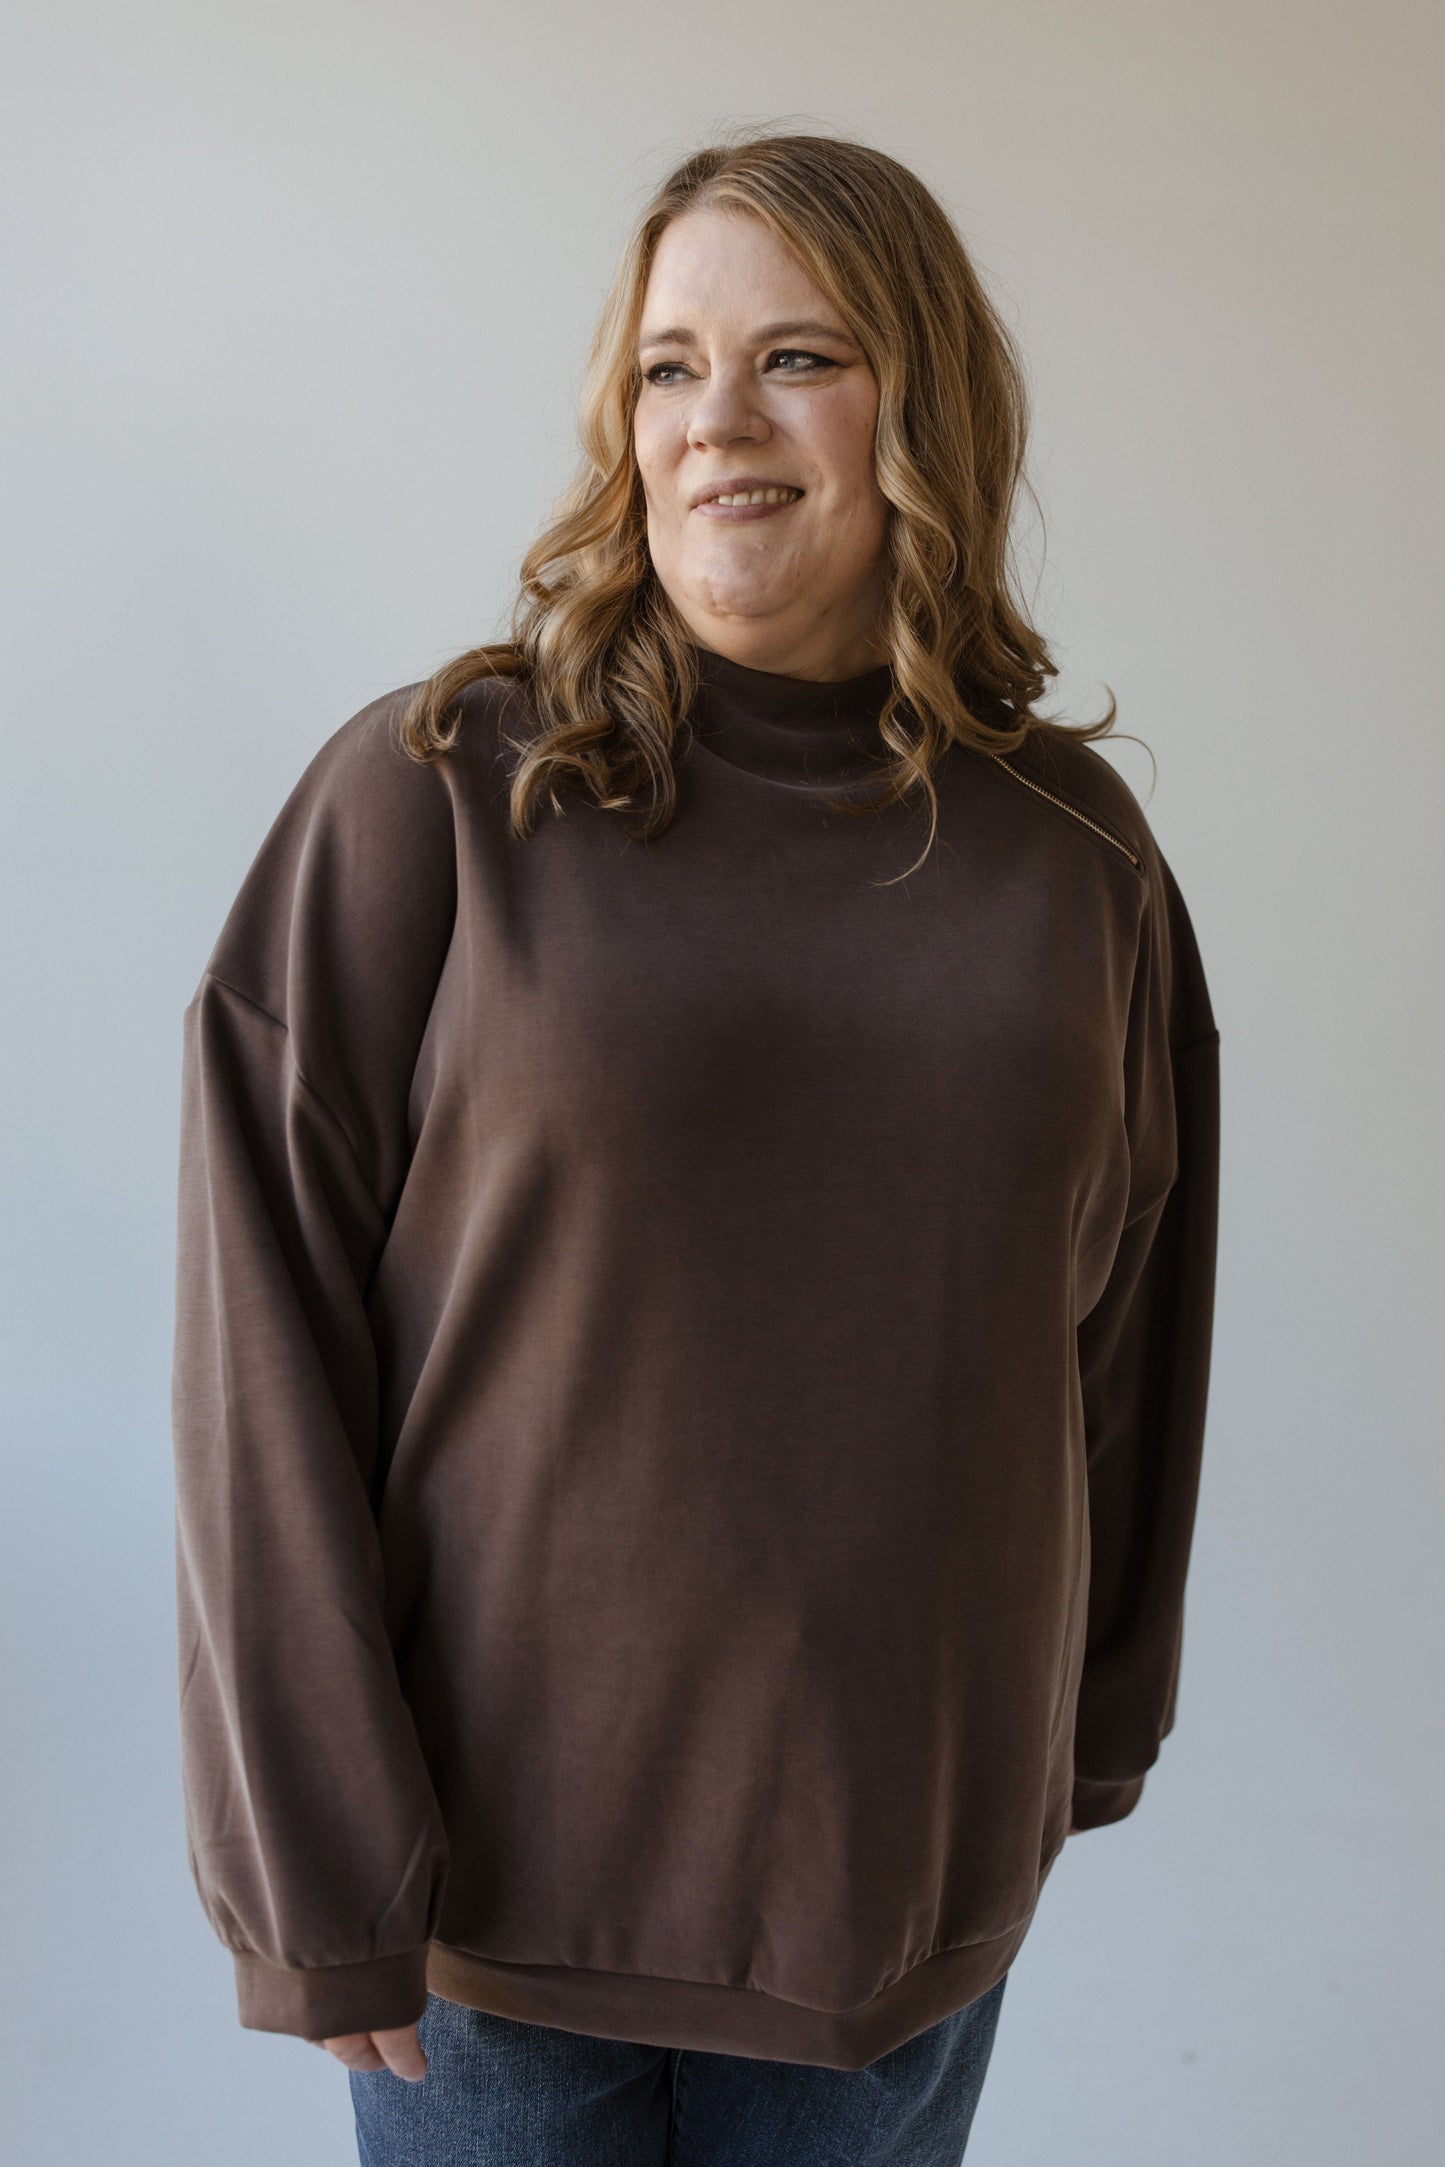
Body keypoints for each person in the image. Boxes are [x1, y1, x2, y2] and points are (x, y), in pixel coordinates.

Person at [170, 128, 1221, 2166]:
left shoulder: (1076, 855)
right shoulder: (439, 798)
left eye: (796, 357)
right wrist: (317, 1872)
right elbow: (262, 1341)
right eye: (668, 367)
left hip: (894, 1915)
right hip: (490, 1944)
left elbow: (1130, 1332)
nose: (716, 424)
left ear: (923, 401)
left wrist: (1087, 1734)